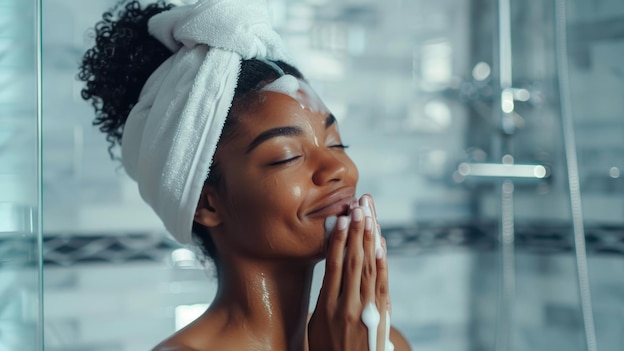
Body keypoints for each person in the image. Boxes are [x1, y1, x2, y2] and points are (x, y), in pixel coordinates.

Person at [78, 0, 411, 350]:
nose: (339, 169)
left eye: (337, 144)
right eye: (287, 156)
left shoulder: (379, 340)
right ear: (207, 203)